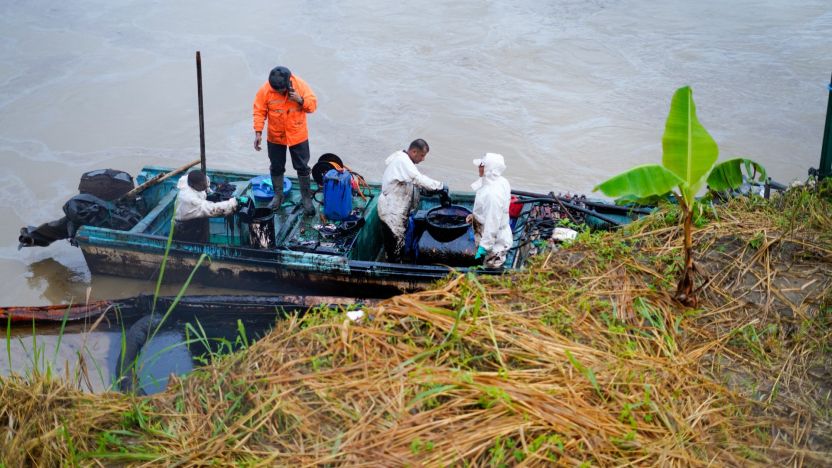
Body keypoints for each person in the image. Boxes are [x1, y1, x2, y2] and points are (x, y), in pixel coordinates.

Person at [252, 66, 318, 214]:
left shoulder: (300, 85)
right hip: (275, 136)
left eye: (281, 90)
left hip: (298, 134)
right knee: (276, 166)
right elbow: (259, 111)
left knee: (302, 167)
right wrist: (258, 132)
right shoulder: (265, 89)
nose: (278, 92)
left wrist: (300, 100)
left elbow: (312, 106)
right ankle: (278, 196)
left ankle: (306, 199)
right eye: (275, 90)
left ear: (288, 82)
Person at [378, 139, 448, 263]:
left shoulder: (406, 162)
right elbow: (418, 179)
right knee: (395, 244)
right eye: (422, 156)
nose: (423, 159)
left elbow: (412, 185)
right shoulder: (402, 161)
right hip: (391, 211)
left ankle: (396, 262)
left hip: (398, 209)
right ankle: (393, 268)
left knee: (399, 242)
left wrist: (430, 191)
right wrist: (440, 187)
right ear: (414, 152)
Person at [465, 153, 512, 269]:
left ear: (489, 169)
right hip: (494, 235)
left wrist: (482, 250)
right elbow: (487, 210)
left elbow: (492, 225)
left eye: (481, 165)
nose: (478, 167)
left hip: (494, 244)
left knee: (489, 268)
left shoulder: (493, 194)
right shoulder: (499, 181)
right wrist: (475, 216)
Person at [174, 170, 246, 242]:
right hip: (184, 228)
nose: (206, 186)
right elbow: (212, 210)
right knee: (192, 244)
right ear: (193, 186)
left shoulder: (188, 180)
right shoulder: (189, 199)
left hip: (195, 218)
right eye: (202, 186)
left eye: (205, 183)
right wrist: (234, 203)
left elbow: (207, 181)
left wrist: (210, 191)